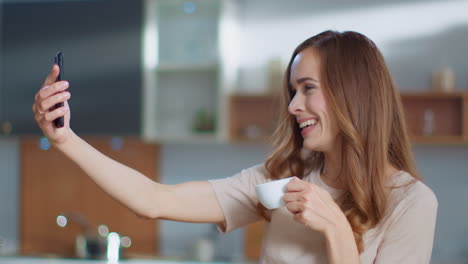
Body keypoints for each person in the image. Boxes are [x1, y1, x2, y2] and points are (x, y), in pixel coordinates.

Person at [32, 30, 438, 264]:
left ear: (355, 95)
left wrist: (333, 226)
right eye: (293, 90)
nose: (294, 106)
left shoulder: (412, 204)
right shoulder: (282, 178)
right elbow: (153, 199)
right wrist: (64, 139)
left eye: (308, 89)